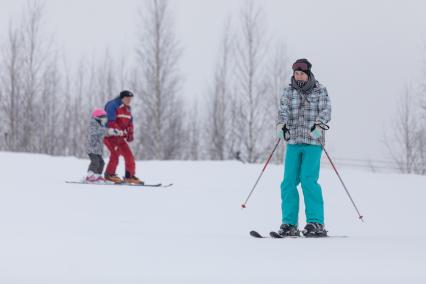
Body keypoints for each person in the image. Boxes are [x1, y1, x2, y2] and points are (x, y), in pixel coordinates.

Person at [276, 58, 332, 237]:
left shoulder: (320, 90)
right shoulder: (288, 91)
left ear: (308, 75)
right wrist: (281, 125)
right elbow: (283, 110)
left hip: (312, 142)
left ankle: (316, 222)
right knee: (288, 182)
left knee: (308, 180)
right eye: (295, 73)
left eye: (301, 73)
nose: (298, 76)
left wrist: (319, 125)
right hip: (293, 141)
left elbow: (326, 110)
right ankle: (289, 223)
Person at [103, 90, 143, 185]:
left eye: (130, 99)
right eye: (127, 98)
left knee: (129, 156)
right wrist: (117, 130)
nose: (129, 100)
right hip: (110, 136)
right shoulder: (113, 105)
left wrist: (130, 133)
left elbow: (130, 122)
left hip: (120, 138)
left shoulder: (127, 109)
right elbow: (110, 121)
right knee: (115, 155)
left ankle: (129, 176)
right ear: (122, 98)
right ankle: (109, 175)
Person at [86, 108, 123, 183]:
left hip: (98, 149)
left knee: (101, 162)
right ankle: (90, 176)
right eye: (103, 118)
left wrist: (115, 132)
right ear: (98, 118)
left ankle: (97, 176)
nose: (105, 120)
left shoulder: (101, 126)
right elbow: (100, 131)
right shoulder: (92, 125)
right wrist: (109, 130)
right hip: (92, 148)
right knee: (95, 161)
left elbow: (105, 132)